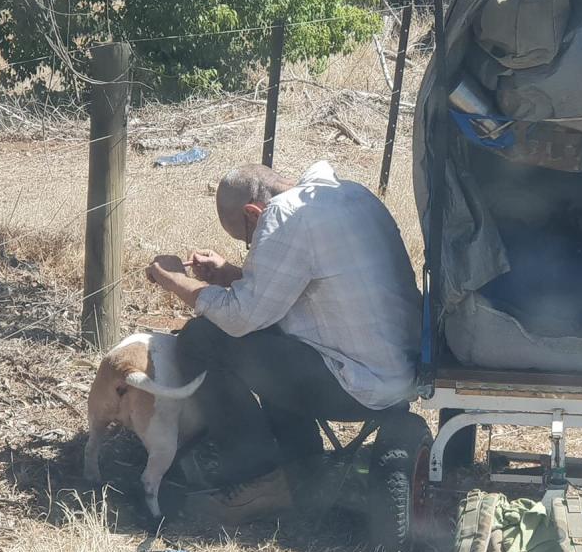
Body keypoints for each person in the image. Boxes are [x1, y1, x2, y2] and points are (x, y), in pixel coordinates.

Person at [144, 161, 422, 523]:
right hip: (399, 377)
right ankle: (301, 468)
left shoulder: (285, 216)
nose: (251, 246)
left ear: (252, 212)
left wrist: (175, 280)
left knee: (203, 338)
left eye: (248, 239)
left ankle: (256, 479)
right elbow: (311, 290)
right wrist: (231, 274)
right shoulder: (351, 195)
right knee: (271, 338)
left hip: (356, 386)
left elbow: (240, 319)